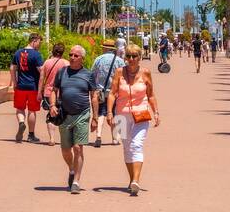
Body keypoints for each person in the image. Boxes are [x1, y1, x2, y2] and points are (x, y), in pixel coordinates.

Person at [107, 42, 160, 195]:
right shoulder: (119, 72)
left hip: (141, 113)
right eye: (128, 56)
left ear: (139, 57)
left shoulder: (146, 73)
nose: (131, 59)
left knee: (136, 145)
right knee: (126, 147)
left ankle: (136, 180)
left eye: (134, 56)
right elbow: (112, 93)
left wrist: (156, 112)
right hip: (120, 115)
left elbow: (150, 95)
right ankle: (132, 180)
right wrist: (110, 113)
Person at [49, 45, 98, 193]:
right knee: (65, 150)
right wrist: (52, 105)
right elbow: (54, 91)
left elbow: (94, 96)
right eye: (70, 54)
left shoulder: (88, 74)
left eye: (76, 56)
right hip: (64, 115)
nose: (72, 57)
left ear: (82, 58)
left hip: (82, 114)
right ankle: (71, 168)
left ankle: (76, 180)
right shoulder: (62, 72)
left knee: (78, 147)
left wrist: (95, 118)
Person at [10, 33, 44, 143]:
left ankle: (21, 122)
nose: (39, 45)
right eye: (39, 42)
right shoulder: (36, 55)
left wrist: (14, 82)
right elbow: (42, 72)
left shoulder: (18, 53)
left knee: (20, 108)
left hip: (20, 86)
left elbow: (12, 68)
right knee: (32, 111)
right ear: (34, 41)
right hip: (33, 87)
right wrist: (40, 89)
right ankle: (31, 135)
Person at [91, 38, 125, 146]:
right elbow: (123, 76)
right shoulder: (119, 60)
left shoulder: (98, 59)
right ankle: (115, 139)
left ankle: (98, 136)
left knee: (101, 112)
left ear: (105, 48)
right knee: (115, 113)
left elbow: (92, 74)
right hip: (115, 92)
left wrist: (93, 89)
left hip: (100, 91)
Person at [37, 41, 69, 147]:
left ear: (53, 51)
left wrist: (39, 92)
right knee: (64, 115)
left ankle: (51, 138)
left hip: (48, 92)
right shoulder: (66, 63)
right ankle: (65, 138)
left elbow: (41, 78)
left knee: (51, 115)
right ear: (63, 52)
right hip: (62, 92)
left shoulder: (47, 62)